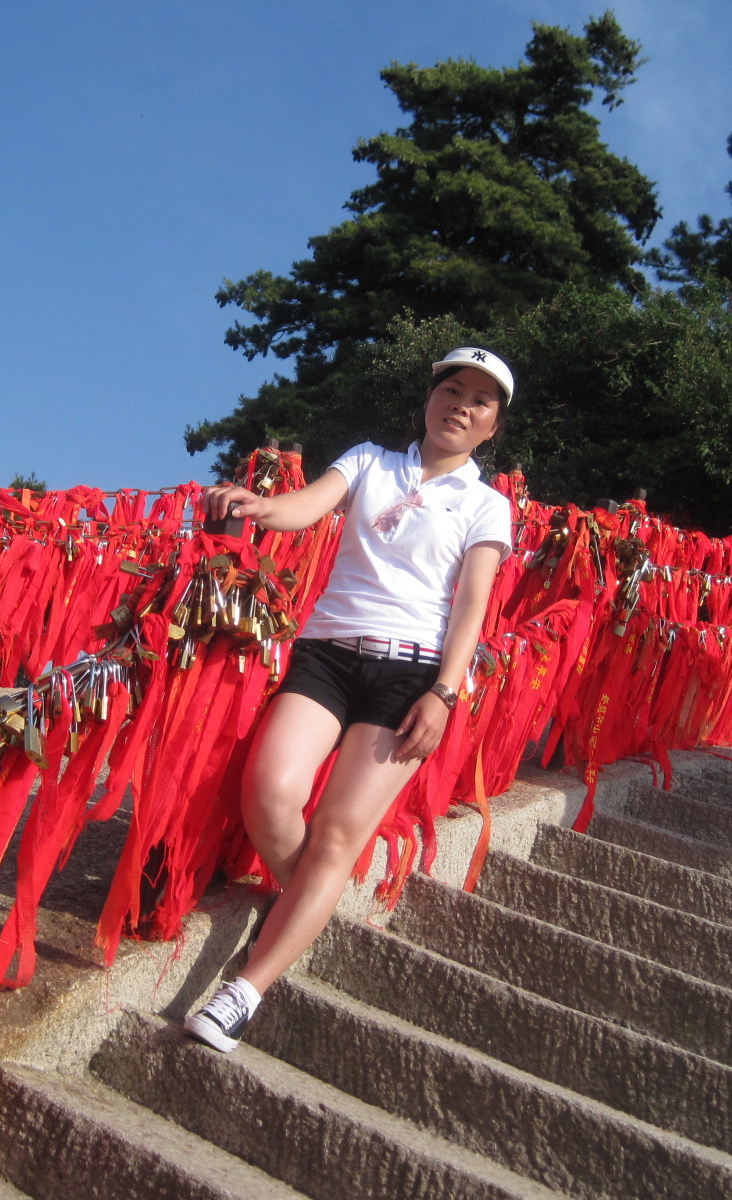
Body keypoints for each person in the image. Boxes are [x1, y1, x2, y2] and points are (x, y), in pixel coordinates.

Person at [184, 346, 515, 1052]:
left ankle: (245, 991)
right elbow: (304, 506)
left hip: (410, 675)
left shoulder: (488, 505)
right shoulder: (370, 461)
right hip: (328, 653)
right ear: (428, 399)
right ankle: (307, 903)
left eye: (480, 401)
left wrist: (444, 693)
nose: (461, 406)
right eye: (452, 390)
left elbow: (472, 605)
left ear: (494, 426)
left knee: (337, 833)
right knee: (269, 791)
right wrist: (257, 507)